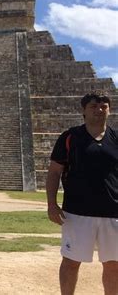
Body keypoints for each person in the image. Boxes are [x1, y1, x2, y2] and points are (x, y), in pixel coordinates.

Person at [46, 91, 117, 295]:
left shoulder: (116, 138)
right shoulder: (70, 137)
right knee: (71, 262)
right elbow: (54, 172)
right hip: (77, 212)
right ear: (83, 111)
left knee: (114, 266)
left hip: (113, 212)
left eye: (104, 106)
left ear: (109, 110)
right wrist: (52, 204)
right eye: (93, 106)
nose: (99, 109)